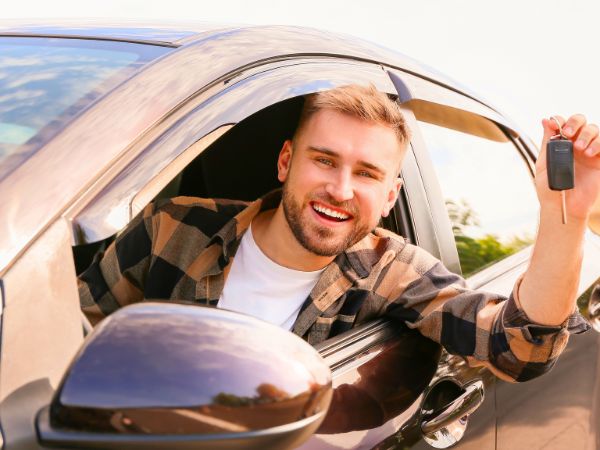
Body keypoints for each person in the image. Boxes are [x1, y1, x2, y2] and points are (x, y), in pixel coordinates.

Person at [78, 84, 598, 382]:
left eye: (368, 173)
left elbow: (519, 350)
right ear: (286, 161)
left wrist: (566, 216)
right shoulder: (172, 227)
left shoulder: (394, 271)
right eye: (324, 160)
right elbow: (66, 337)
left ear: (392, 196)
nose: (340, 189)